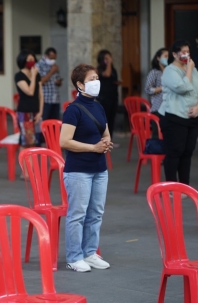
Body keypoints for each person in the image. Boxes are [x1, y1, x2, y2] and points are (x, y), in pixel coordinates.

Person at [59, 63, 113, 273]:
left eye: (96, 78)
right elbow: (64, 141)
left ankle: (90, 253)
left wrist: (106, 143)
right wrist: (93, 147)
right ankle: (74, 257)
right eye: (91, 79)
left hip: (100, 168)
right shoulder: (73, 110)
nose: (96, 82)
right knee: (78, 214)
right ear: (80, 84)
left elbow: (106, 133)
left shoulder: (98, 107)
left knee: (96, 213)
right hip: (78, 170)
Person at [159, 40, 198, 185]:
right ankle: (172, 187)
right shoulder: (170, 71)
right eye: (183, 52)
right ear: (174, 54)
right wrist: (189, 69)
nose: (186, 55)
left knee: (187, 152)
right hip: (174, 116)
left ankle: (185, 185)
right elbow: (182, 87)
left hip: (192, 117)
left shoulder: (193, 69)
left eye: (188, 52)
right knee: (175, 152)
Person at [15, 49, 43, 149]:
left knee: (36, 140)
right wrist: (34, 76)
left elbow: (40, 95)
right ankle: (26, 163)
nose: (31, 61)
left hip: (36, 111)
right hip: (25, 111)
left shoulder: (37, 75)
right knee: (27, 141)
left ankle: (33, 164)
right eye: (29, 59)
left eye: (33, 59)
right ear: (23, 61)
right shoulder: (19, 76)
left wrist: (40, 112)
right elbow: (30, 92)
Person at [97, 50, 121, 140]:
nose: (109, 59)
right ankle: (103, 138)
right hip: (104, 98)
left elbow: (111, 78)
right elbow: (106, 74)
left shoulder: (113, 69)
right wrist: (109, 63)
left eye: (109, 57)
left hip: (113, 97)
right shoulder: (100, 69)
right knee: (105, 119)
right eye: (106, 58)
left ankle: (109, 139)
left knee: (112, 119)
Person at [145, 48, 168, 138]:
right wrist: (162, 88)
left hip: (169, 107)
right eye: (165, 56)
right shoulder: (154, 73)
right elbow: (147, 89)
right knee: (157, 134)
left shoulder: (170, 72)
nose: (167, 58)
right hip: (157, 108)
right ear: (158, 58)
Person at [37, 47, 62, 120]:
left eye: (54, 59)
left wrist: (59, 82)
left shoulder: (54, 66)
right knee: (44, 122)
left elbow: (59, 80)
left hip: (55, 99)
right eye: (51, 58)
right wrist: (51, 72)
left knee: (55, 123)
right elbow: (40, 82)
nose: (53, 60)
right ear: (45, 56)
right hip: (45, 100)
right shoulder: (38, 66)